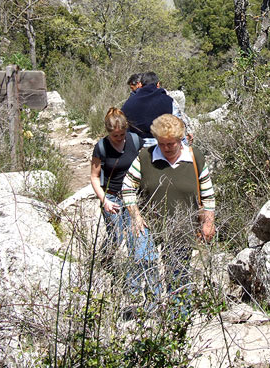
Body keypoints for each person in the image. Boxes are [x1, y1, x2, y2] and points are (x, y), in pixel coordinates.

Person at [122, 114, 216, 314]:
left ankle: (178, 317)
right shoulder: (145, 157)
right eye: (162, 143)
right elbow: (127, 186)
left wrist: (208, 222)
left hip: (182, 225)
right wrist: (135, 216)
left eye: (171, 143)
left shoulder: (194, 157)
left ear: (180, 139)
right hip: (149, 224)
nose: (167, 148)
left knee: (178, 272)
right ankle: (151, 308)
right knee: (144, 262)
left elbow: (208, 195)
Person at [89, 108, 144, 258]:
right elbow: (94, 177)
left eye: (122, 134)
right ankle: (105, 259)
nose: (119, 138)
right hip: (111, 196)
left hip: (133, 196)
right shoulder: (101, 147)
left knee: (135, 234)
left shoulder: (135, 140)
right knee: (117, 235)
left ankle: (133, 267)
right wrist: (104, 200)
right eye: (115, 135)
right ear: (108, 132)